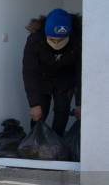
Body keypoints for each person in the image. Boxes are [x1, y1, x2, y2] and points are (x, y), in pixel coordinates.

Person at [22, 8, 81, 137]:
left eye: (60, 40)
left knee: (62, 111)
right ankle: (35, 143)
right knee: (39, 112)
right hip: (42, 78)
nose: (56, 44)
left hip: (66, 78)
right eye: (53, 39)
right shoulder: (35, 40)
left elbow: (81, 72)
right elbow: (29, 72)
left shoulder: (78, 39)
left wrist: (79, 103)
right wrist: (34, 104)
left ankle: (57, 144)